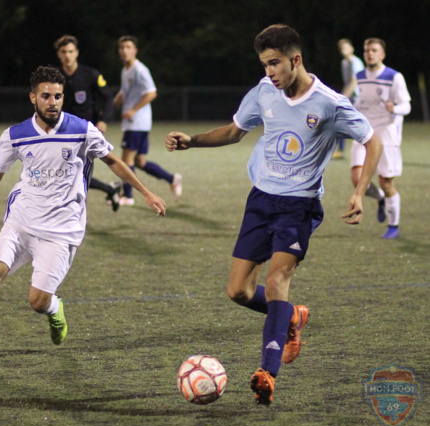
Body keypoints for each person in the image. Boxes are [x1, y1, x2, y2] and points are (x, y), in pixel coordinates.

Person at [165, 24, 382, 405]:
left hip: (298, 206)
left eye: (275, 64)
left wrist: (360, 192)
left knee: (278, 277)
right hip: (261, 201)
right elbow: (235, 131)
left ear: (295, 60)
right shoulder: (264, 92)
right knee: (238, 291)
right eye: (265, 65)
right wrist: (193, 141)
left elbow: (372, 140)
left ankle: (268, 371)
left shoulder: (329, 104)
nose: (269, 72)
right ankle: (292, 317)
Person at [0, 66, 166, 363]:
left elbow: (113, 160)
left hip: (62, 229)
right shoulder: (15, 135)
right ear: (33, 97)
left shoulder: (82, 130)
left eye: (58, 96)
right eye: (46, 96)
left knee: (37, 301)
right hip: (21, 220)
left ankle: (54, 308)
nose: (53, 102)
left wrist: (145, 192)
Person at [351, 38, 411, 239]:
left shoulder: (394, 77)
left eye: (374, 50)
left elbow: (407, 106)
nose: (370, 54)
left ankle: (394, 225)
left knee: (386, 182)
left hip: (386, 132)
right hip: (365, 131)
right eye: (367, 50)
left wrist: (395, 108)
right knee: (357, 180)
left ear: (382, 54)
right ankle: (380, 199)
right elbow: (362, 100)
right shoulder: (359, 76)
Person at [54, 35, 122, 212]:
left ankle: (70, 209)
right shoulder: (55, 77)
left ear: (76, 53)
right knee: (68, 172)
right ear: (59, 55)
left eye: (70, 51)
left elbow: (107, 98)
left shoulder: (90, 75)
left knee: (72, 172)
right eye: (63, 52)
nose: (67, 55)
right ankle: (110, 189)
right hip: (62, 131)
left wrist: (103, 120)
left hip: (86, 131)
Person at [114, 35, 182, 206]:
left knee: (126, 160)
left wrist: (133, 110)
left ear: (135, 51)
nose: (124, 51)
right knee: (140, 162)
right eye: (122, 48)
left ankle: (127, 197)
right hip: (139, 124)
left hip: (136, 122)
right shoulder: (125, 70)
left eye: (128, 47)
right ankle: (172, 179)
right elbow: (123, 92)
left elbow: (152, 92)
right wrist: (113, 104)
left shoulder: (140, 70)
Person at [334, 39, 365, 159]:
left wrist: (344, 97)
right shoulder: (344, 63)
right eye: (342, 49)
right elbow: (347, 82)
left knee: (360, 124)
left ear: (352, 49)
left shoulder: (355, 62)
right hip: (351, 97)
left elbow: (354, 81)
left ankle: (369, 146)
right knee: (340, 120)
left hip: (359, 97)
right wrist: (342, 96)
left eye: (346, 48)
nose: (344, 50)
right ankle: (341, 150)